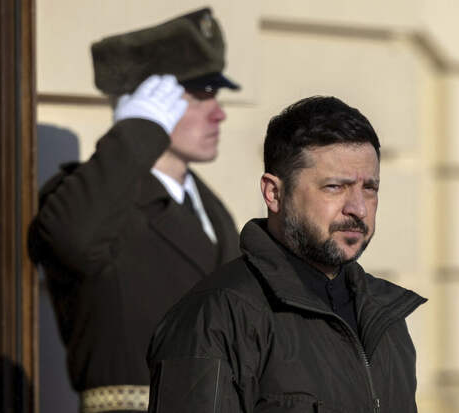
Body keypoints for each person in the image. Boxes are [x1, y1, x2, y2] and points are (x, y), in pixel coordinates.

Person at [147, 96, 427, 412]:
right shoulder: (217, 318)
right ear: (274, 193)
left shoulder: (386, 318)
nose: (358, 208)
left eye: (369, 188)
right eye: (335, 187)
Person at [28, 8, 241, 412]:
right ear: (147, 103)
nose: (219, 113)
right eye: (199, 95)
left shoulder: (213, 213)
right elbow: (73, 239)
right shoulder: (88, 202)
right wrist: (136, 134)